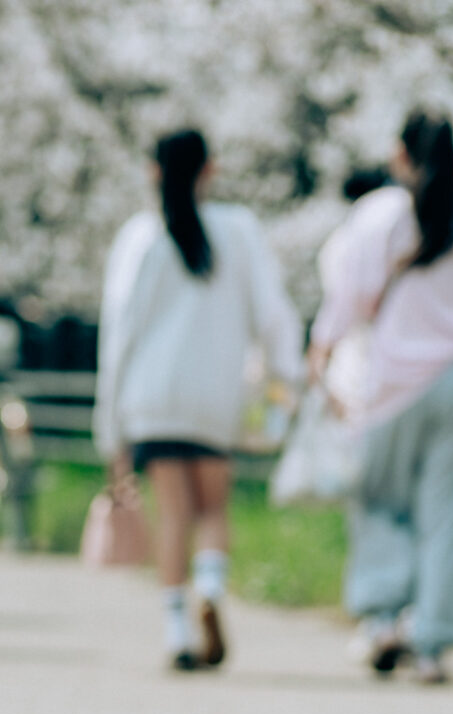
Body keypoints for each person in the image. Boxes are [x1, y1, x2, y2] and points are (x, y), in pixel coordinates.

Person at [309, 111, 453, 684]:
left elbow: (348, 299)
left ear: (401, 155)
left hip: (391, 387)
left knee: (380, 501)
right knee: (448, 517)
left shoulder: (380, 216)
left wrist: (323, 351)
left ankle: (383, 620)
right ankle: (430, 643)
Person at [94, 129, 302, 671]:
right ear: (211, 169)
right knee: (213, 507)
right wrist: (288, 374)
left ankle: (176, 629)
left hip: (152, 399)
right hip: (215, 394)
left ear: (152, 171)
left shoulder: (140, 237)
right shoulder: (239, 230)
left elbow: (119, 335)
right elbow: (272, 312)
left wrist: (109, 427)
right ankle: (211, 586)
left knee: (174, 515)